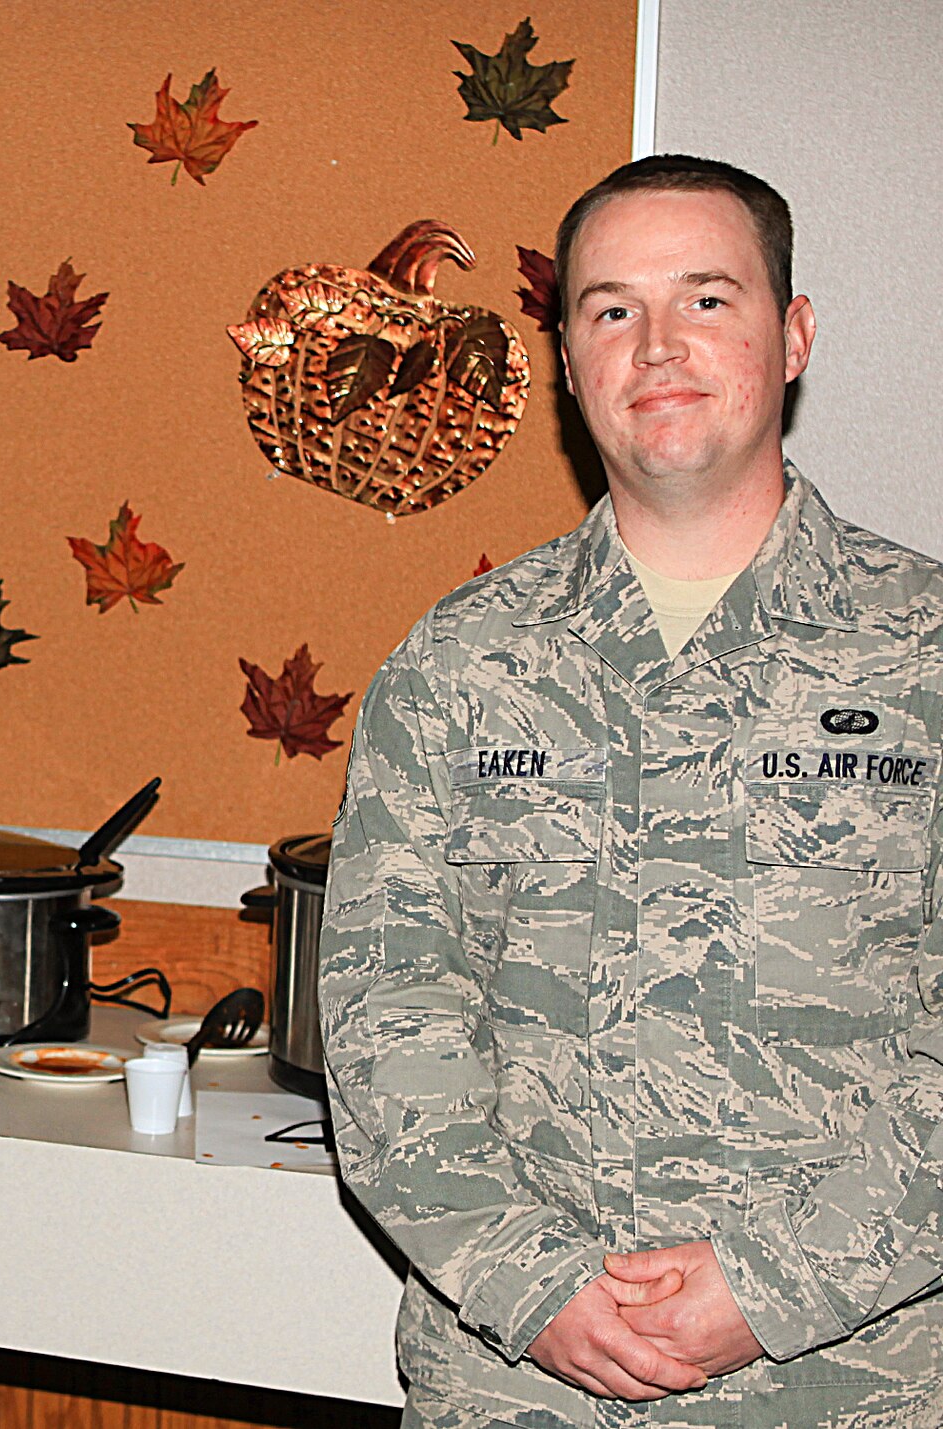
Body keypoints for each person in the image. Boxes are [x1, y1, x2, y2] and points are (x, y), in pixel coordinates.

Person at [321, 154, 943, 1427]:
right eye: (609, 309)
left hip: (840, 1383)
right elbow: (386, 1007)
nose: (655, 346)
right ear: (564, 360)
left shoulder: (922, 648)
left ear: (793, 336)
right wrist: (528, 1279)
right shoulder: (458, 661)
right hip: (511, 1379)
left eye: (705, 299)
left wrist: (773, 1282)